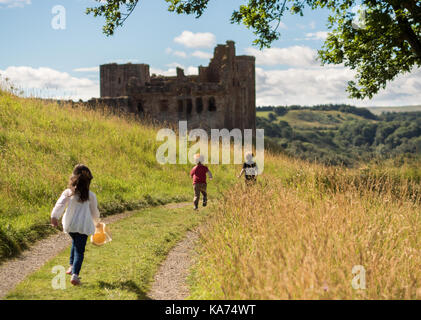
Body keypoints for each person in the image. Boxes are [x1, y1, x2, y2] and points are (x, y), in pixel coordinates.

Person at [50, 164, 100, 286]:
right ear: (88, 182)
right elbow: (94, 212)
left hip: (70, 225)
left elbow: (60, 205)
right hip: (83, 227)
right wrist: (97, 223)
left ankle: (71, 266)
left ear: (73, 179)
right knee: (79, 250)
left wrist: (54, 217)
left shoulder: (68, 193)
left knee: (75, 242)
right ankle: (75, 275)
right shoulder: (91, 195)